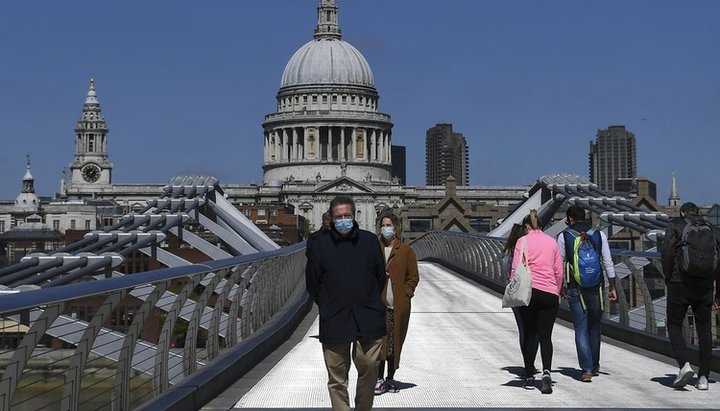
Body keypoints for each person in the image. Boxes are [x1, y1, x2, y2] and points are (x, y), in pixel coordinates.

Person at [305, 196, 387, 411]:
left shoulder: (369, 241)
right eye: (339, 217)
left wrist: (368, 299)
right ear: (332, 219)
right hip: (335, 316)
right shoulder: (319, 245)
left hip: (368, 315)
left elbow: (380, 276)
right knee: (337, 377)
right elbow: (312, 283)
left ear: (355, 215)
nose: (343, 220)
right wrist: (327, 304)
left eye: (347, 216)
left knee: (370, 368)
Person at [661, 201, 720, 390]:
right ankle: (703, 377)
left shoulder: (675, 225)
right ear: (698, 213)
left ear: (682, 212)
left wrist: (668, 276)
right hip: (705, 285)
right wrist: (718, 290)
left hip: (680, 282)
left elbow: (667, 254)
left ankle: (684, 364)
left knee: (674, 323)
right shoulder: (712, 229)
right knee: (704, 329)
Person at [558, 205, 617, 382]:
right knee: (594, 326)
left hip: (575, 287)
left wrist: (560, 286)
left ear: (569, 218)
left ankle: (587, 369)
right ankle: (595, 364)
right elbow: (608, 261)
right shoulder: (599, 235)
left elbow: (559, 263)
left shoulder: (565, 236)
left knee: (580, 328)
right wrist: (612, 286)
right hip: (596, 287)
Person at [511, 210, 563, 394]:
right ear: (541, 225)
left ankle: (529, 377)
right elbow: (558, 271)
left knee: (530, 334)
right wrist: (555, 291)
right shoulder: (552, 242)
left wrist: (514, 291)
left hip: (529, 294)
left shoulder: (521, 241)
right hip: (549, 293)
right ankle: (547, 373)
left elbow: (515, 270)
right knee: (545, 337)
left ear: (526, 227)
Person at [373, 212, 420, 395]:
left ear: (396, 227)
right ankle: (378, 379)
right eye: (383, 225)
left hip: (397, 305)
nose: (386, 228)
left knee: (394, 343)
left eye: (389, 225)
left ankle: (390, 378)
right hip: (378, 306)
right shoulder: (374, 249)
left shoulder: (406, 251)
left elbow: (413, 277)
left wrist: (406, 294)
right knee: (379, 344)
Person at [502, 224, 538, 364]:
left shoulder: (508, 252)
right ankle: (531, 359)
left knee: (523, 328)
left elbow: (506, 273)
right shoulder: (528, 249)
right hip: (531, 291)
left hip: (516, 293)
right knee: (534, 329)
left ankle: (527, 362)